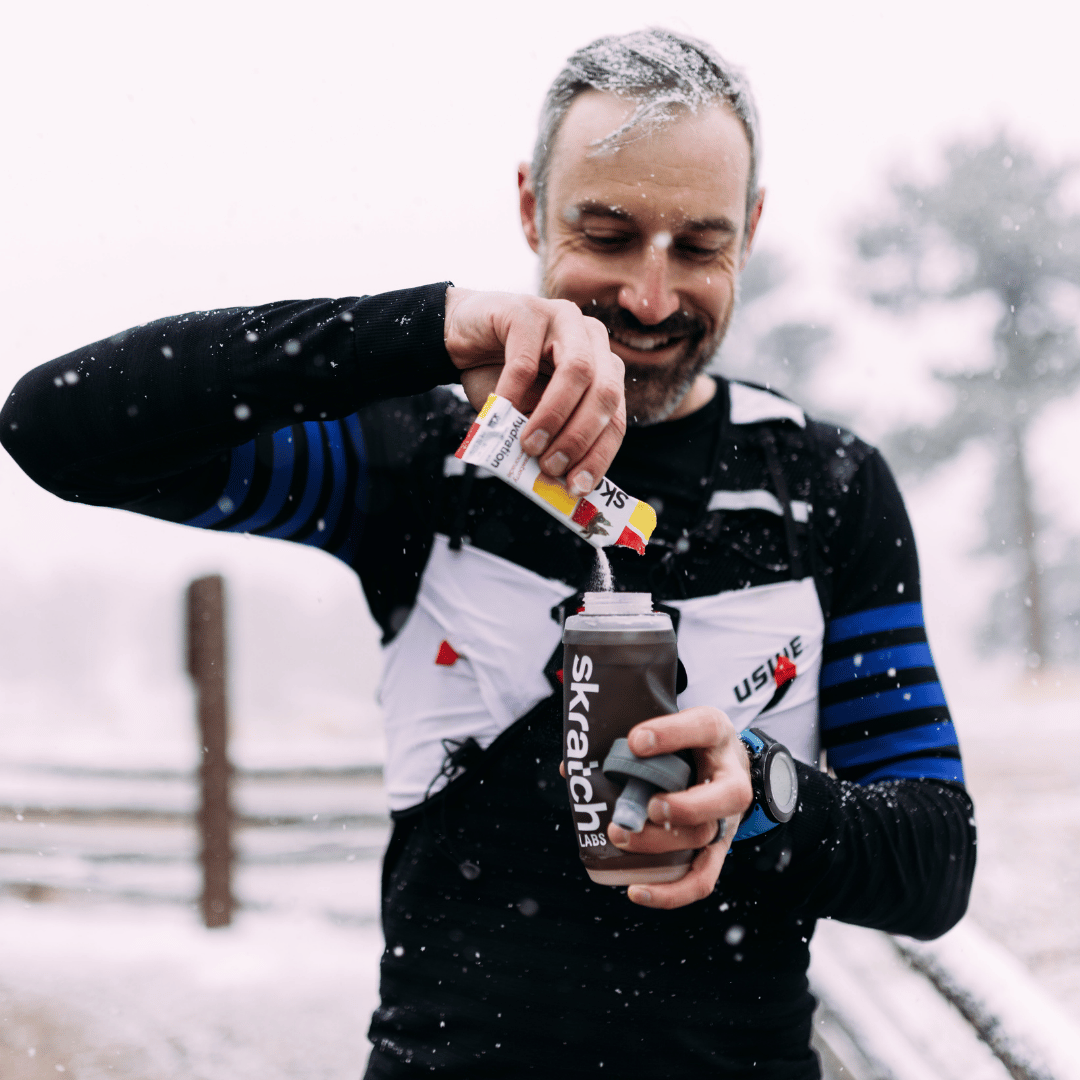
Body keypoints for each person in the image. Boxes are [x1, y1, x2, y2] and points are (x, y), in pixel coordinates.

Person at [1, 28, 975, 1080]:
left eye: (700, 247)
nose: (651, 298)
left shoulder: (826, 486)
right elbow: (57, 427)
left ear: (754, 226)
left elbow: (934, 862)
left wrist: (766, 795)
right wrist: (427, 328)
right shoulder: (417, 457)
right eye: (607, 235)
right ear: (529, 207)